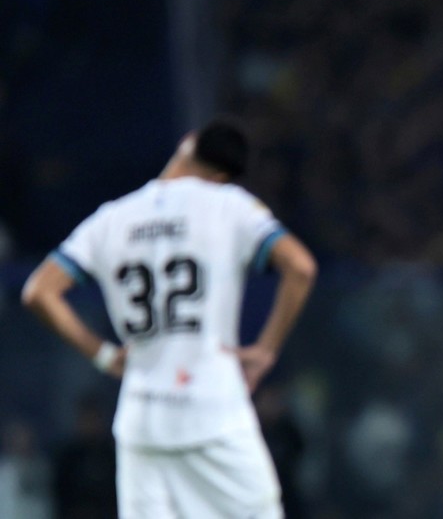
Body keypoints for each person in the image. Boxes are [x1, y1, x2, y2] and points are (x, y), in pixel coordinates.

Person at [21, 118, 317, 518]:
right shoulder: (229, 204)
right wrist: (266, 349)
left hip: (143, 418)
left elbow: (38, 292)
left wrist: (103, 355)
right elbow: (300, 267)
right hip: (214, 409)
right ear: (221, 178)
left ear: (187, 143)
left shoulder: (112, 218)